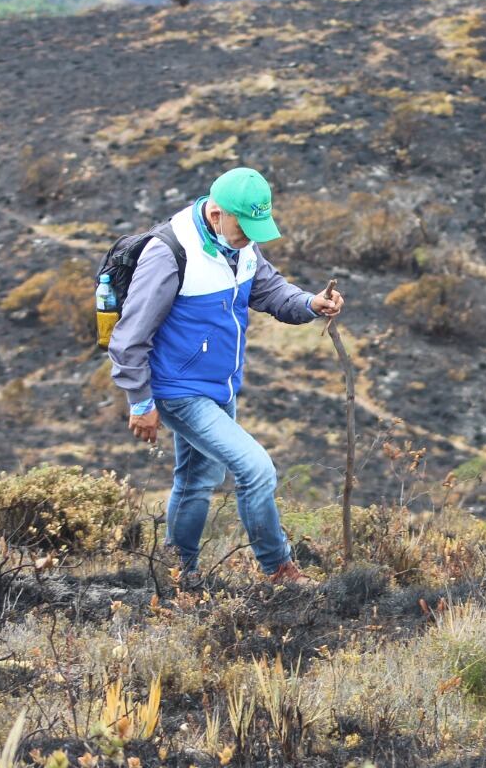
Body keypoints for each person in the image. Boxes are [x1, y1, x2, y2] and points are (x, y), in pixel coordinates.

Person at [109, 166, 343, 587]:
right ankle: (279, 569)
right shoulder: (170, 253)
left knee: (198, 478)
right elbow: (129, 336)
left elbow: (270, 292)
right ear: (217, 214)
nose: (251, 237)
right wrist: (140, 402)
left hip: (220, 385)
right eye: (245, 226)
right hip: (179, 389)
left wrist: (311, 303)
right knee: (256, 470)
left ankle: (178, 572)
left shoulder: (241, 248)